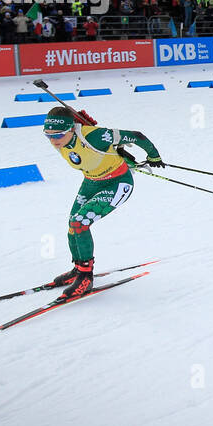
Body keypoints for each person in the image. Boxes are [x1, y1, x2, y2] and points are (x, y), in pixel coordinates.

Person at [42, 106, 163, 300]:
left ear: (71, 129)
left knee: (79, 223)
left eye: (58, 135)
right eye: (48, 136)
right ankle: (78, 268)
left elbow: (137, 136)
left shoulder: (95, 136)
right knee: (73, 224)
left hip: (117, 183)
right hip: (91, 182)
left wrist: (153, 156)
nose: (54, 141)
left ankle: (85, 277)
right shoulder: (63, 139)